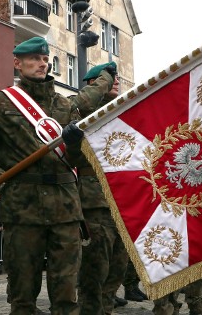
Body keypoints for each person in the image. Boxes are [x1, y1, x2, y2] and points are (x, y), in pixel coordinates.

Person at [0, 36, 114, 314]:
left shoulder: (66, 107)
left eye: (45, 59)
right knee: (22, 296)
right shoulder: (0, 103)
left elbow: (79, 161)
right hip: (22, 210)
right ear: (18, 63)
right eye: (34, 58)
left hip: (66, 209)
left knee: (67, 297)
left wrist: (74, 143)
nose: (42, 63)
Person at [74, 63, 128, 315]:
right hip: (93, 203)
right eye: (106, 78)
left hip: (120, 203)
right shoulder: (82, 112)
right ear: (93, 84)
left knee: (118, 266)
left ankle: (106, 309)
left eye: (115, 78)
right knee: (94, 270)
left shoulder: (120, 113)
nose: (114, 81)